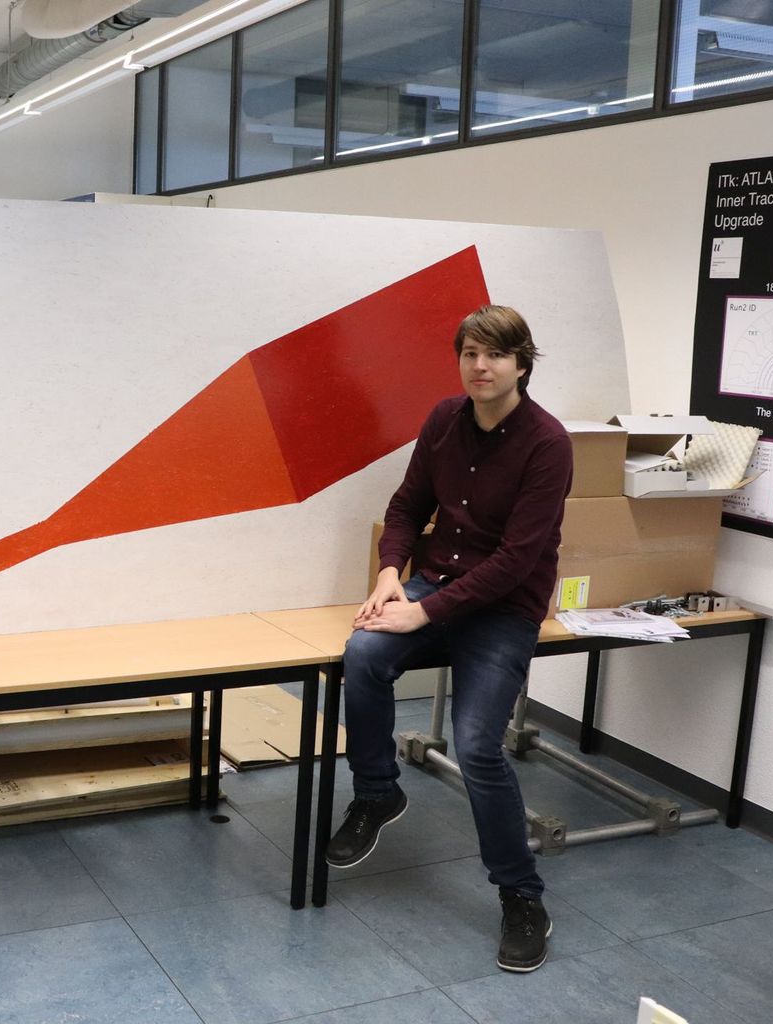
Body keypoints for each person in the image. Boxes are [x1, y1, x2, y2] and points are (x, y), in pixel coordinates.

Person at [327, 304, 573, 974]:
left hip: (503, 610)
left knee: (475, 746)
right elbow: (407, 507)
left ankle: (522, 896)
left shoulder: (548, 443)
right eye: (470, 353)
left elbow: (518, 560)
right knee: (363, 653)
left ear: (522, 362)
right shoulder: (443, 421)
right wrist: (388, 577)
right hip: (435, 584)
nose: (480, 367)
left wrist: (424, 614)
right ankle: (379, 792)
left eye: (494, 355)